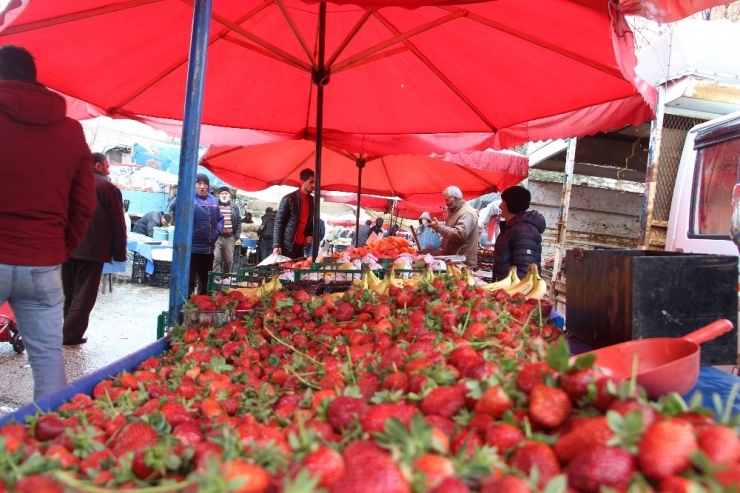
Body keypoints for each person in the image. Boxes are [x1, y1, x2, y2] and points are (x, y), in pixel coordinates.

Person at [0, 45, 96, 399]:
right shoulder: (71, 132)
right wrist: (59, 248)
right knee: (47, 360)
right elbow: (85, 204)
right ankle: (53, 449)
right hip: (42, 261)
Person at [62, 153, 128, 345]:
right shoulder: (107, 188)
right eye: (107, 166)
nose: (109, 170)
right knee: (84, 295)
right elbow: (118, 223)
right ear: (98, 165)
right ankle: (69, 335)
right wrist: (119, 253)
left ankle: (64, 331)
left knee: (67, 291)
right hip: (92, 249)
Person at [169, 173, 223, 295]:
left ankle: (201, 306)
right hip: (191, 249)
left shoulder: (213, 201)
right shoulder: (188, 198)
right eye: (199, 183)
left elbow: (220, 219)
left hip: (208, 250)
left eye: (205, 184)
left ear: (208, 186)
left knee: (205, 281)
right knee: (189, 281)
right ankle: (187, 306)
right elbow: (172, 206)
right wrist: (184, 191)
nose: (202, 186)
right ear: (194, 185)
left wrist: (217, 231)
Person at [492, 186, 547, 281]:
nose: (500, 205)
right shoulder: (512, 227)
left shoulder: (524, 230)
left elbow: (525, 270)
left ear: (511, 204)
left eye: (503, 201)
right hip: (505, 290)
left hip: (513, 292)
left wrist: (515, 294)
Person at [430, 186, 480, 268]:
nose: (445, 203)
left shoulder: (467, 213)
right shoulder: (454, 212)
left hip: (463, 263)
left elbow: (459, 235)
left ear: (456, 198)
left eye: (447, 199)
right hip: (454, 260)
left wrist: (439, 227)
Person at [273, 168, 315, 259]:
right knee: (286, 270)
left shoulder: (313, 200)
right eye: (311, 182)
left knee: (298, 270)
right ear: (302, 182)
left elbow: (312, 221)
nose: (314, 185)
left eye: (315, 182)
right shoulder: (289, 199)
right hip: (287, 244)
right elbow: (279, 223)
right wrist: (276, 245)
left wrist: (310, 234)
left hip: (301, 244)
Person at [213, 186, 242, 273]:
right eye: (222, 193)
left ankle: (226, 278)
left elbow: (239, 221)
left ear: (229, 194)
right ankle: (215, 279)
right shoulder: (215, 205)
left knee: (228, 260)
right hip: (217, 237)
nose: (224, 195)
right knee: (215, 258)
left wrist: (236, 236)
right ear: (219, 195)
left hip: (230, 237)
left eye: (226, 193)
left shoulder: (235, 207)